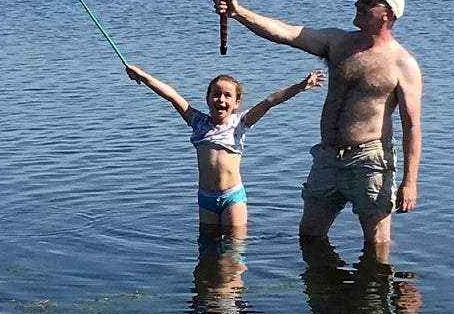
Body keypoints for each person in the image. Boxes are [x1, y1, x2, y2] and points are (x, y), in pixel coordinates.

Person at [214, 0, 423, 250]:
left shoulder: (403, 65)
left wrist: (409, 183)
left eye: (368, 2)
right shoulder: (337, 42)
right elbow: (285, 33)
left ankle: (375, 291)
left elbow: (412, 127)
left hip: (370, 160)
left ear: (388, 13)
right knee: (309, 237)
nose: (358, 4)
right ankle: (323, 291)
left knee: (376, 244)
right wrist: (238, 12)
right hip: (327, 157)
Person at [125, 62, 324, 237]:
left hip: (232, 196)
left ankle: (234, 280)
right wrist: (143, 76)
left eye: (227, 96)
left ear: (236, 103)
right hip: (206, 197)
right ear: (208, 99)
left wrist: (299, 87)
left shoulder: (241, 123)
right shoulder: (198, 122)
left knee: (234, 249)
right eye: (216, 95)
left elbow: (270, 101)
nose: (221, 100)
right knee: (208, 247)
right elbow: (171, 95)